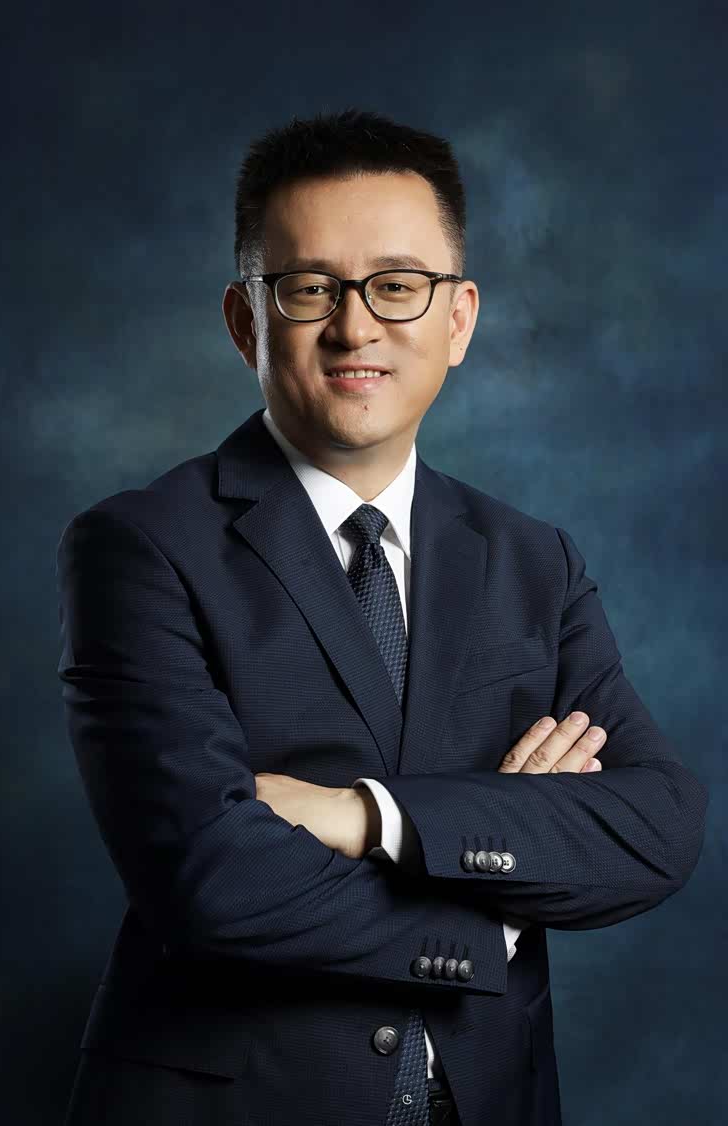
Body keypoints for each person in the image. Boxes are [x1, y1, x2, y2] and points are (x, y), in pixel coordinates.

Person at [57, 108, 708, 1126]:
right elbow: (211, 878)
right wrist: (491, 907)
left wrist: (367, 815)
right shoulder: (139, 548)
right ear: (246, 321)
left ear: (459, 319)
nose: (355, 327)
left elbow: (657, 827)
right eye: (310, 287)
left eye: (397, 285)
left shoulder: (534, 561)